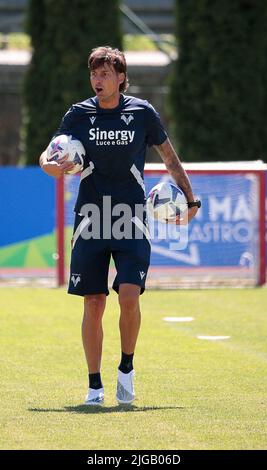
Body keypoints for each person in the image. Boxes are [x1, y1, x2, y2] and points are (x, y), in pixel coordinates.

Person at [39, 46, 200, 406]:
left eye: (105, 74)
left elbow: (170, 159)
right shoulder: (78, 115)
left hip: (131, 219)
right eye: (94, 74)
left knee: (128, 296)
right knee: (94, 302)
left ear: (121, 78)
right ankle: (94, 386)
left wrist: (191, 201)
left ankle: (126, 369)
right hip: (91, 219)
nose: (98, 80)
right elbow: (49, 153)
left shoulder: (143, 113)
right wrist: (50, 165)